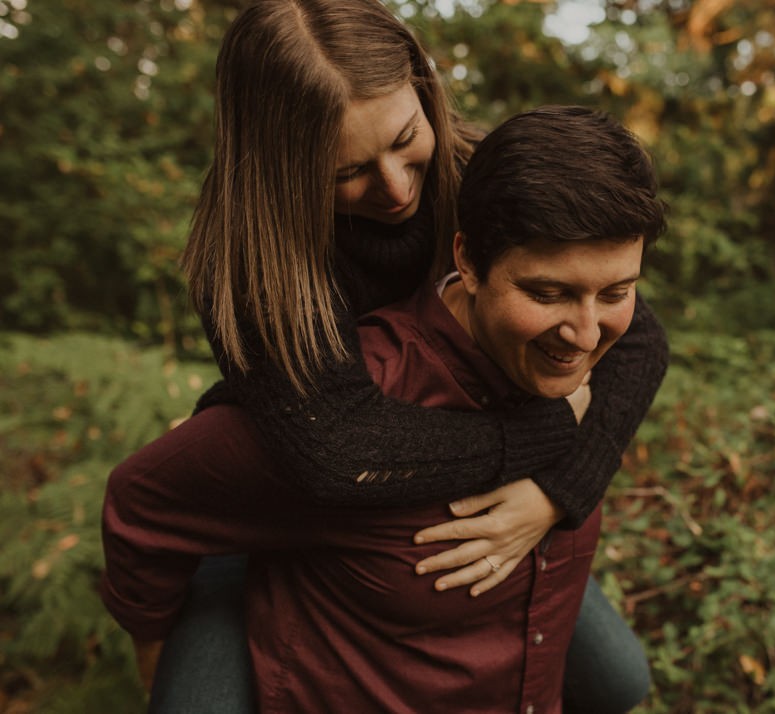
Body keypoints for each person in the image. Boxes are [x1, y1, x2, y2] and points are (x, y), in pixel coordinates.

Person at [102, 0, 668, 710]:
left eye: (406, 139)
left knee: (617, 678)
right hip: (296, 474)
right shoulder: (247, 260)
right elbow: (336, 451)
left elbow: (636, 334)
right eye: (346, 172)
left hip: (444, 460)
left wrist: (557, 490)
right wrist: (551, 433)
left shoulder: (468, 167)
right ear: (283, 165)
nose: (398, 187)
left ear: (424, 93)